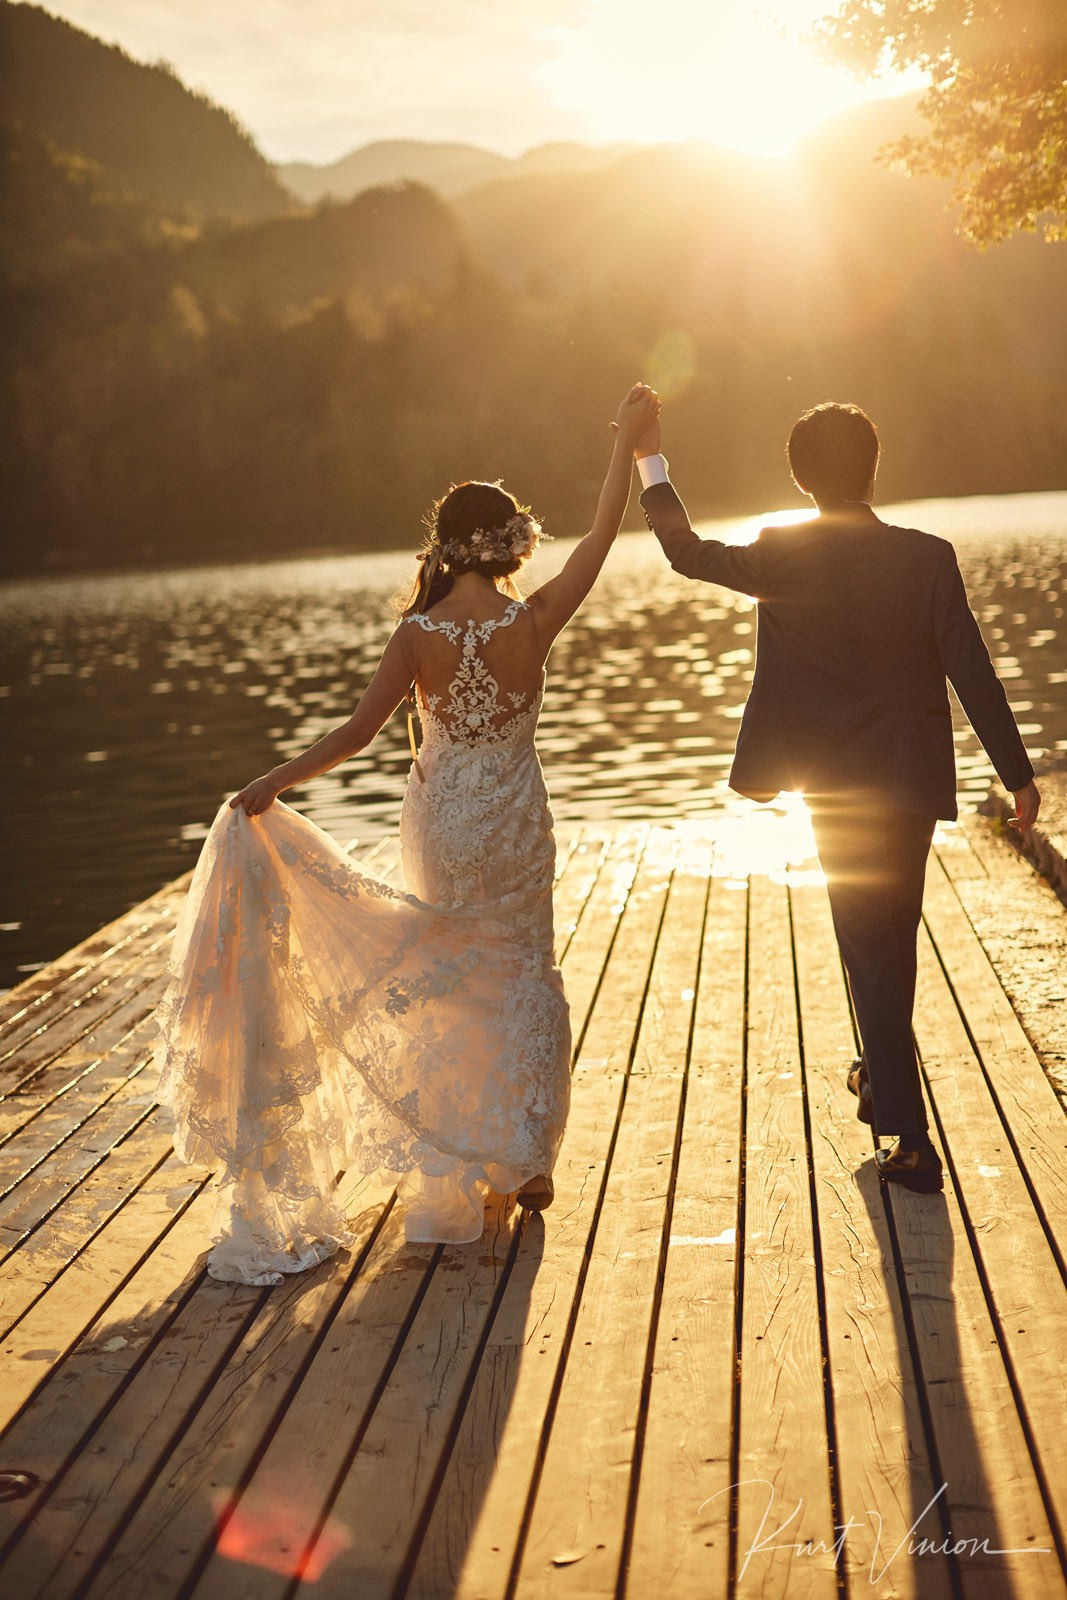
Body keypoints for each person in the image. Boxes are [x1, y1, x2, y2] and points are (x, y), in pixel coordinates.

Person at [154, 383, 661, 1284]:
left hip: (442, 821)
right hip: (512, 816)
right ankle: (525, 1159)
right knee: (522, 969)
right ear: (510, 545)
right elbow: (599, 535)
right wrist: (624, 447)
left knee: (447, 977)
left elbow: (355, 735)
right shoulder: (531, 619)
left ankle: (461, 1151)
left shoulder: (417, 633)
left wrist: (271, 783)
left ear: (445, 547)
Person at [633, 399, 1039, 1194]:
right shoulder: (926, 556)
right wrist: (1015, 772)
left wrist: (651, 462)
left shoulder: (780, 552)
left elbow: (683, 551)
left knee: (868, 942)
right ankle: (879, 1079)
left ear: (799, 479)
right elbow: (970, 667)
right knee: (888, 939)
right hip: (910, 778)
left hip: (832, 784)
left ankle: (910, 1141)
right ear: (873, 468)